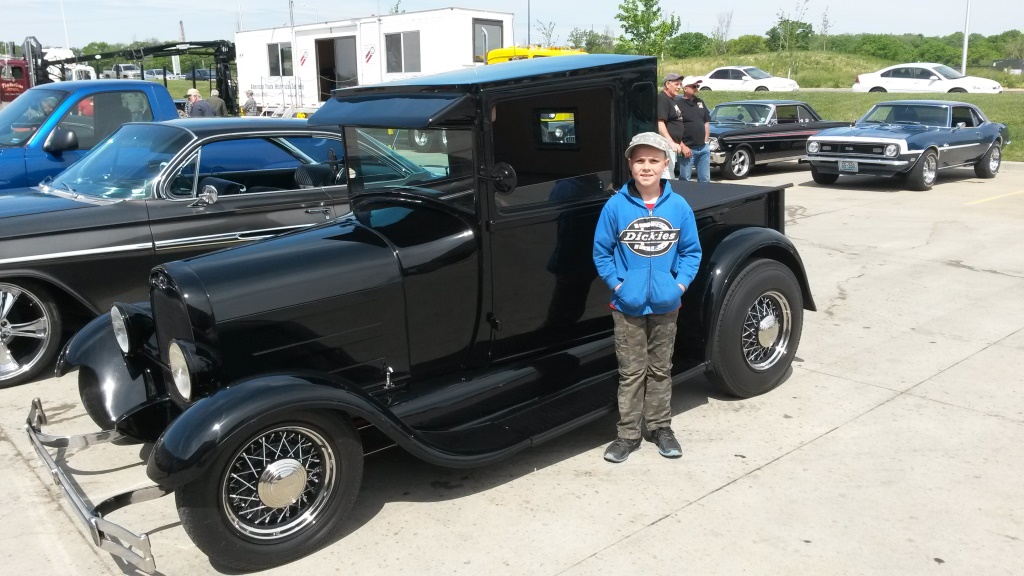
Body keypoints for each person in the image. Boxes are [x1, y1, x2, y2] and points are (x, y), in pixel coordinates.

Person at [593, 132, 702, 463]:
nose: (646, 167)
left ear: (665, 164)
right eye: (639, 160)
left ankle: (660, 427)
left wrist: (678, 286)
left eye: (654, 160)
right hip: (627, 305)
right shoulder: (615, 206)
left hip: (666, 304)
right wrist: (619, 286)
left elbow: (691, 252)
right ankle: (627, 434)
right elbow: (602, 252)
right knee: (631, 372)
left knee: (660, 369)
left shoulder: (679, 207)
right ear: (630, 164)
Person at [657, 74, 712, 182]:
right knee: (673, 178)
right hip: (676, 146)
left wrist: (705, 142)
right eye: (676, 84)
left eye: (680, 84)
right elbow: (661, 123)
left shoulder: (673, 101)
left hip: (696, 146)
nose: (679, 87)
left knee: (704, 179)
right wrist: (674, 143)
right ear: (667, 84)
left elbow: (706, 122)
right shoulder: (664, 99)